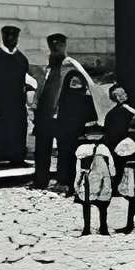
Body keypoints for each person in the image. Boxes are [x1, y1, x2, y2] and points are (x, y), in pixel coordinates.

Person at [0, 24, 34, 165]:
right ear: (3, 37)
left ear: (17, 39)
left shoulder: (21, 59)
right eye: (7, 36)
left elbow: (26, 79)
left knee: (17, 129)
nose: (10, 39)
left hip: (17, 103)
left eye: (13, 37)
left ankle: (17, 158)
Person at [32, 33, 71, 188]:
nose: (56, 50)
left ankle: (63, 180)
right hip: (44, 114)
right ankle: (40, 180)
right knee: (41, 149)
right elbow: (40, 89)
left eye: (59, 46)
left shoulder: (69, 67)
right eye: (53, 47)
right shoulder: (46, 69)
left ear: (64, 47)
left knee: (64, 148)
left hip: (62, 114)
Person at [53, 65, 98, 196]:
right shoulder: (63, 98)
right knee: (65, 158)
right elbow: (59, 116)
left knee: (80, 159)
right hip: (65, 134)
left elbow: (92, 117)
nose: (76, 84)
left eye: (78, 82)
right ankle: (64, 183)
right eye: (73, 82)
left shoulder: (88, 99)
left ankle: (79, 185)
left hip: (80, 134)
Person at [73, 124, 115, 235]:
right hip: (103, 180)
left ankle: (86, 228)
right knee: (103, 205)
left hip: (87, 180)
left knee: (86, 205)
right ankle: (103, 228)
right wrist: (113, 176)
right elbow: (111, 165)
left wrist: (77, 183)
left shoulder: (81, 149)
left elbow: (78, 169)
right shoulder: (104, 149)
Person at [101, 82, 135, 193]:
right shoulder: (125, 111)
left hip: (117, 143)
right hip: (121, 143)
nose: (125, 95)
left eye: (124, 93)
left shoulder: (112, 113)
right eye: (121, 94)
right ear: (116, 98)